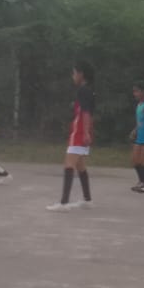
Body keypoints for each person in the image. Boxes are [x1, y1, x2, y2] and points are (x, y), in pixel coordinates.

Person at [48, 61, 96, 211]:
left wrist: (86, 132)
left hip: (80, 131)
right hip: (82, 129)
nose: (73, 76)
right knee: (80, 165)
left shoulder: (83, 90)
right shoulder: (89, 90)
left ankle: (64, 203)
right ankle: (87, 200)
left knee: (69, 164)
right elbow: (89, 112)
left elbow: (86, 112)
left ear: (81, 74)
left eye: (74, 73)